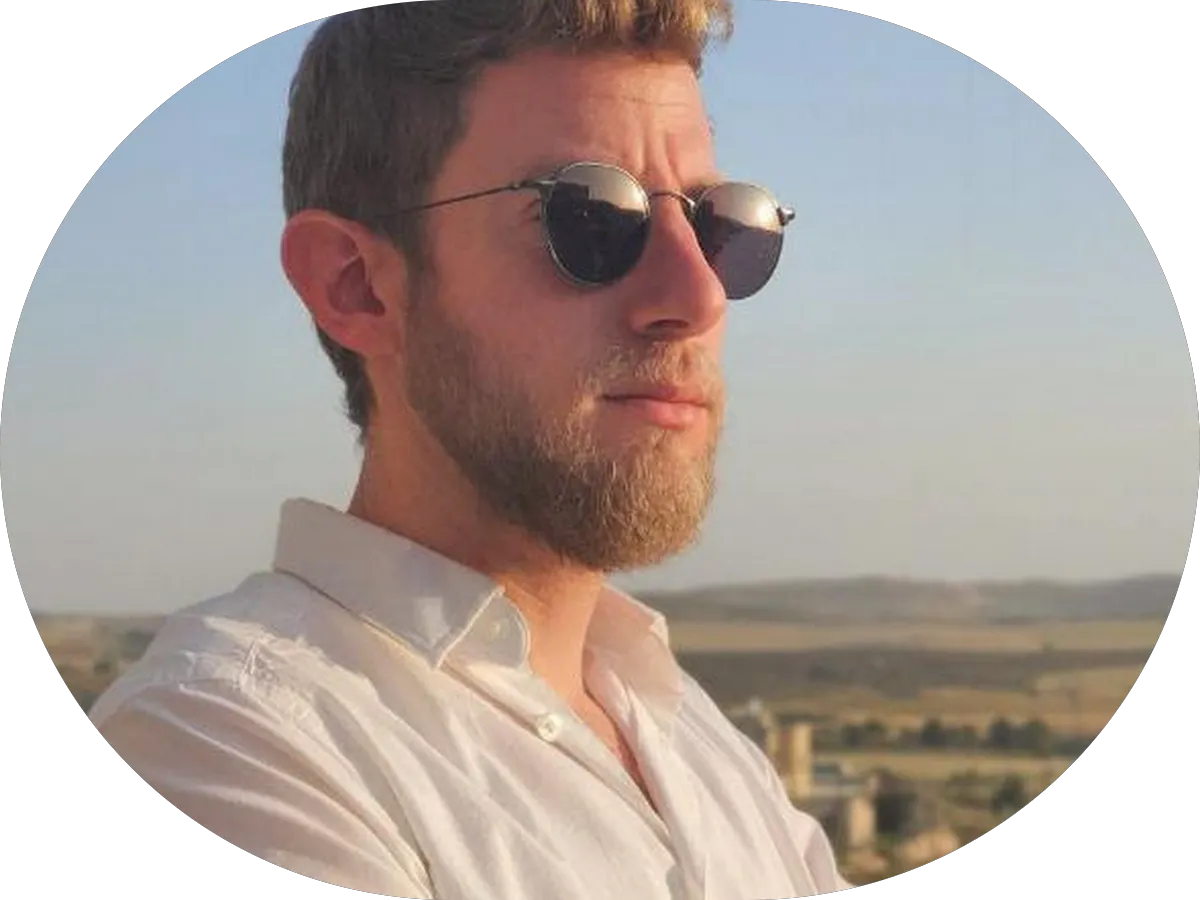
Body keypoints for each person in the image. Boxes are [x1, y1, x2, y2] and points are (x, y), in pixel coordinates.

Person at [89, 3, 851, 897]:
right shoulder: (227, 744)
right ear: (356, 286)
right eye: (593, 215)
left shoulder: (697, 744)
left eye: (723, 224)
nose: (699, 297)